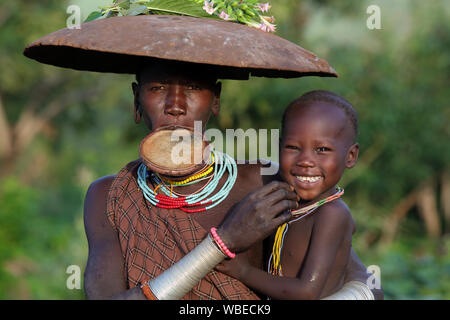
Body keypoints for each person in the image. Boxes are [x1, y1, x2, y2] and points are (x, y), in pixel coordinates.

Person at [83, 62, 383, 300]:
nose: (176, 105)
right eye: (158, 87)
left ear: (215, 100)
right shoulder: (111, 195)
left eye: (192, 87)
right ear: (137, 99)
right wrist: (221, 245)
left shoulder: (268, 180)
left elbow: (366, 285)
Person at [216, 90, 374, 300]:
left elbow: (306, 293)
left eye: (322, 149)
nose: (306, 160)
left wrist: (243, 272)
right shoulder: (285, 200)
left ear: (351, 156)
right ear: (279, 146)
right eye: (292, 147)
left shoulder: (332, 214)